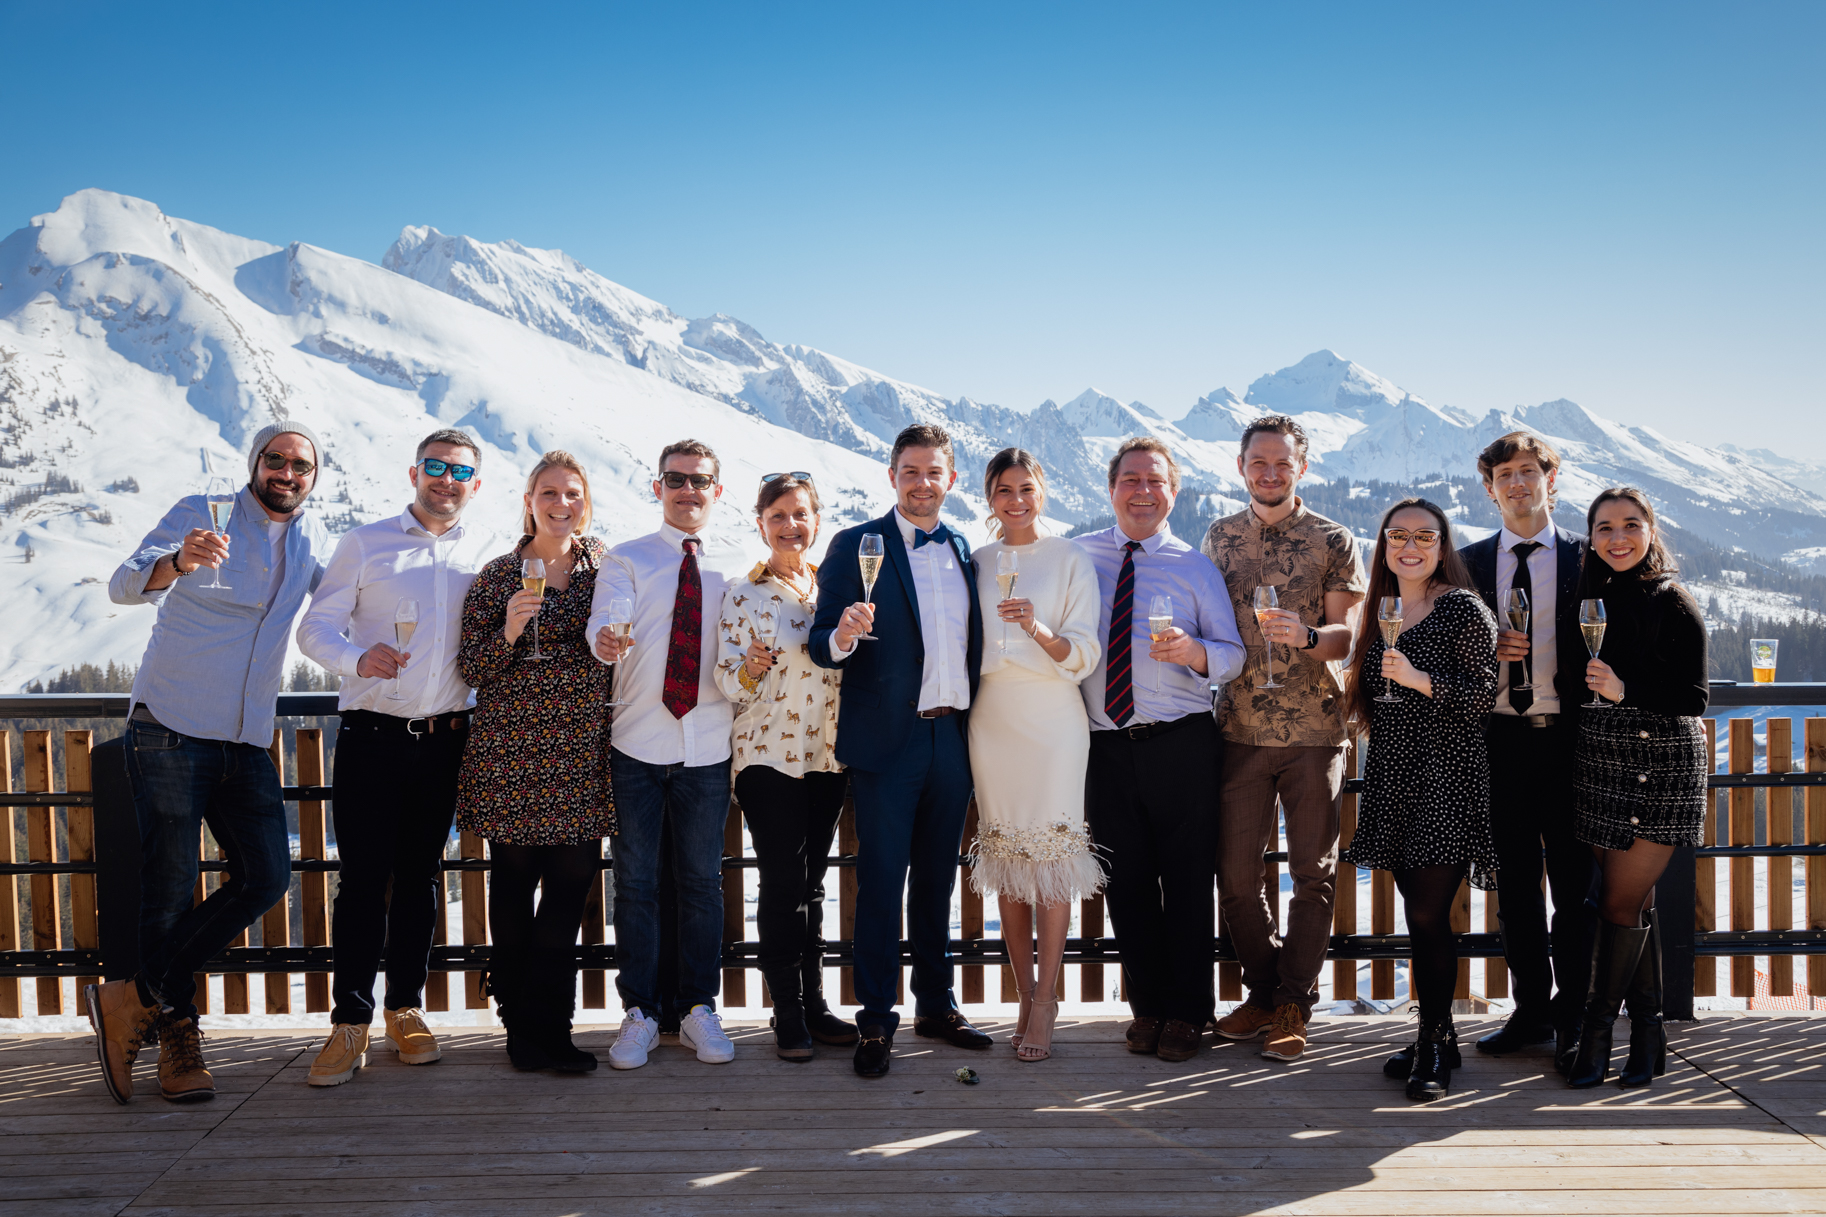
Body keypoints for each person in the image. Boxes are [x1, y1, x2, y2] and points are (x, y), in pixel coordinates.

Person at [88, 422, 330, 1104]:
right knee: (169, 889)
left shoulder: (312, 540)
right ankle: (177, 1036)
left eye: (301, 464)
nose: (287, 472)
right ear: (255, 463)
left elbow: (343, 609)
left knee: (266, 875)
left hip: (245, 739)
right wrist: (176, 561)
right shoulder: (201, 511)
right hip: (171, 724)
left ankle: (132, 996)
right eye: (275, 459)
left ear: (314, 476)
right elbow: (123, 584)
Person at [296, 428, 507, 1087]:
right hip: (373, 735)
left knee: (420, 878)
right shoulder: (366, 543)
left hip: (446, 739)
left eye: (460, 471)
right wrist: (356, 658)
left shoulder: (488, 552)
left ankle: (405, 1007)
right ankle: (349, 1020)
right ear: (414, 472)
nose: (447, 480)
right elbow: (314, 627)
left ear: (476, 484)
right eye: (435, 467)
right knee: (362, 881)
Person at [810, 422, 995, 1078]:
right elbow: (820, 643)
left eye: (933, 472)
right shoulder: (856, 544)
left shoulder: (963, 548)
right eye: (910, 471)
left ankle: (936, 1005)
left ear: (951, 479)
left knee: (938, 880)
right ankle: (875, 1019)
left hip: (951, 737)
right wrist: (843, 633)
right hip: (889, 741)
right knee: (883, 882)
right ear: (892, 476)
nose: (922, 483)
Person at [1202, 415, 1366, 1064]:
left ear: (1302, 467)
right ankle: (1265, 993)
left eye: (1282, 463)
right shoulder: (1219, 537)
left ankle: (1295, 1002)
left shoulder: (1333, 538)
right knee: (1238, 879)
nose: (1270, 473)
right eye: (1259, 462)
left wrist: (1306, 636)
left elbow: (1347, 636)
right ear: (1241, 466)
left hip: (1316, 731)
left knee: (1312, 874)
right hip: (1238, 728)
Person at [1078, 437, 1246, 1064]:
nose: (1142, 491)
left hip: (1180, 743)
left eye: (1155, 481)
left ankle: (1189, 1014)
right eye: (1131, 479)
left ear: (1173, 493)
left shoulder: (1194, 567)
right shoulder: (1079, 557)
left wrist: (1195, 653)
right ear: (1111, 488)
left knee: (1186, 882)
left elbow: (1232, 656)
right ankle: (1147, 1008)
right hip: (1103, 746)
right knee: (1125, 883)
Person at [588, 439, 748, 1070]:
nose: (688, 491)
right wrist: (604, 641)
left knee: (702, 885)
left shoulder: (737, 563)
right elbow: (604, 626)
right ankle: (642, 1013)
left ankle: (697, 1007)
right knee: (635, 885)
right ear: (658, 487)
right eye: (676, 480)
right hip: (636, 742)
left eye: (699, 481)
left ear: (716, 489)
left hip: (708, 744)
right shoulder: (626, 559)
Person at [454, 451, 614, 1073]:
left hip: (579, 748)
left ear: (585, 503)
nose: (561, 503)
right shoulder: (498, 576)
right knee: (514, 889)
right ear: (529, 501)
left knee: (571, 887)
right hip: (511, 750)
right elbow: (473, 668)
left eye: (572, 493)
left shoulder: (606, 570)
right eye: (549, 492)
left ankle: (551, 1024)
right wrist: (509, 632)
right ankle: (521, 1027)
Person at [1342, 498, 1499, 1102]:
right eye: (1398, 535)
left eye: (1424, 536)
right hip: (1395, 774)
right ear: (1383, 544)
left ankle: (1433, 1043)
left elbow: (1482, 695)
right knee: (1417, 912)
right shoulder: (1383, 607)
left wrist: (1416, 679)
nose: (1410, 546)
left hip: (1446, 775)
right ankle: (1441, 1036)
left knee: (1430, 916)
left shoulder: (1462, 607)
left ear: (1442, 545)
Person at [1459, 432, 1596, 1072]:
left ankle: (1575, 1018)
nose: (1517, 484)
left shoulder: (1588, 557)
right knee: (1513, 888)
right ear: (1490, 489)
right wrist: (1484, 654)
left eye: (1527, 472)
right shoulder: (1466, 564)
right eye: (1504, 475)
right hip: (1498, 743)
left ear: (1550, 479)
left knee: (1575, 888)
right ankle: (1531, 1011)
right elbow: (1443, 653)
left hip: (1571, 742)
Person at [1565, 487, 1708, 1089]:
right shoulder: (1589, 597)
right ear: (1591, 536)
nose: (1617, 537)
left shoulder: (1672, 600)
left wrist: (1625, 691)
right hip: (1602, 759)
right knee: (1634, 904)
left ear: (1651, 530)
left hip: (1661, 763)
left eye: (1630, 525)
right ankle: (1649, 1037)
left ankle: (1597, 1036)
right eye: (1604, 527)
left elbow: (1694, 697)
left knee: (1618, 904)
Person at [966, 449, 1104, 1063]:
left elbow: (1084, 652)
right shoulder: (976, 560)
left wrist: (1036, 628)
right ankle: (1024, 994)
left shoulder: (1070, 557)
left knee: (1050, 861)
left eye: (1026, 488)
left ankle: (1046, 999)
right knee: (1007, 859)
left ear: (1041, 492)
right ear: (989, 498)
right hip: (992, 717)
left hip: (1052, 718)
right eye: (1004, 490)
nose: (1016, 500)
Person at [714, 472, 853, 1061]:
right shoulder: (744, 595)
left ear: (816, 521)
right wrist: (748, 666)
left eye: (800, 515)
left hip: (828, 754)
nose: (790, 526)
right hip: (767, 755)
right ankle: (787, 1011)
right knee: (782, 882)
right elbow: (727, 682)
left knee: (813, 883)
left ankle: (814, 1004)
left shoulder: (836, 589)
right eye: (778, 516)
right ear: (760, 524)